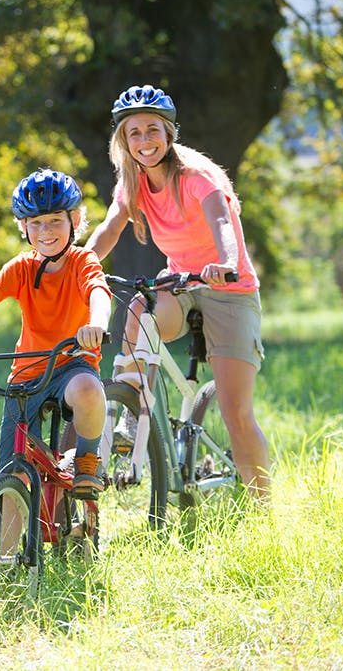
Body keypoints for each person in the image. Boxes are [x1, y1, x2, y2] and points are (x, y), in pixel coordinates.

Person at [85, 83, 270, 498]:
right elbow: (109, 228)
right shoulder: (132, 184)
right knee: (140, 308)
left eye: (153, 130)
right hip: (182, 284)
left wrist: (226, 262)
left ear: (169, 134)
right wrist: (76, 264)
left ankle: (264, 510)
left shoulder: (195, 176)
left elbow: (221, 221)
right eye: (135, 133)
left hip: (228, 287)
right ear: (124, 141)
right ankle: (132, 411)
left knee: (236, 411)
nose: (145, 140)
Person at [0, 169, 111, 497]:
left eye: (55, 220)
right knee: (13, 476)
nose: (46, 231)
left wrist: (97, 323)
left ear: (75, 219)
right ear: (23, 227)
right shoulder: (22, 268)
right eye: (36, 223)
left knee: (88, 388)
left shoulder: (82, 260)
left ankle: (86, 458)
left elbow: (98, 290)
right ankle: (5, 549)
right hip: (26, 374)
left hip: (71, 364)